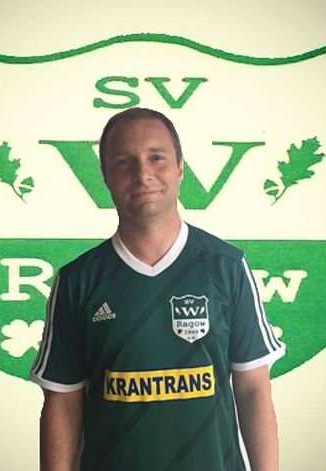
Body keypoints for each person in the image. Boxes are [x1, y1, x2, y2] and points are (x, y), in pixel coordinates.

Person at [30, 107, 285, 471]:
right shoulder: (78, 281)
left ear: (180, 167)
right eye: (124, 162)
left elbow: (253, 387)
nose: (143, 174)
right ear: (105, 176)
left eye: (156, 158)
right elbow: (62, 402)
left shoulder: (227, 267)